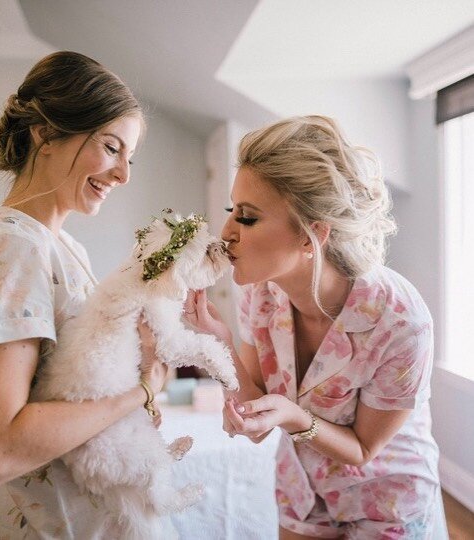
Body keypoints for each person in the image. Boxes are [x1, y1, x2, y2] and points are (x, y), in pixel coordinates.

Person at [185, 116, 446, 539]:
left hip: (387, 501)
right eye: (232, 211)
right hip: (301, 494)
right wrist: (220, 344)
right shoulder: (259, 295)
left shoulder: (401, 322)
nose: (227, 231)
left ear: (311, 235)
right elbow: (257, 412)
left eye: (248, 218)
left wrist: (292, 416)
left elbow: (363, 448)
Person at [0, 51, 168, 538]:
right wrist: (141, 391)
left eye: (129, 157)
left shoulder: (63, 247)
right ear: (46, 132)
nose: (123, 175)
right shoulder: (12, 248)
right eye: (112, 148)